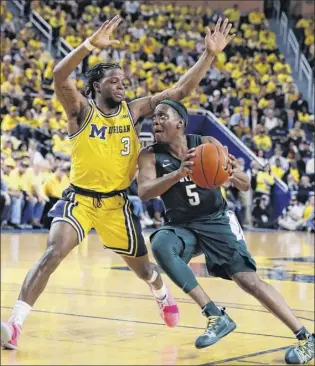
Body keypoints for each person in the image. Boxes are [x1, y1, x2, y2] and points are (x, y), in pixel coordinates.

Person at [1, 16, 235, 349]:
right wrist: (89, 46)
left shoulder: (134, 110)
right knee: (53, 252)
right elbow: (58, 75)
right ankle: (15, 324)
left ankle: (160, 291)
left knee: (145, 271)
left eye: (123, 80)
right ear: (96, 85)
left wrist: (208, 55)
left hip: (116, 206)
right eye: (114, 80)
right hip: (79, 200)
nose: (122, 85)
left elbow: (180, 91)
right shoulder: (80, 111)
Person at [137, 100, 315, 364]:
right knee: (161, 243)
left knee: (248, 281)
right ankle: (215, 315)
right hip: (182, 226)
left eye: (163, 116)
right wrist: (178, 173)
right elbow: (144, 191)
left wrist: (230, 172)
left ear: (180, 123)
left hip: (215, 220)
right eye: (154, 118)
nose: (156, 122)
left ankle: (306, 338)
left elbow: (244, 184)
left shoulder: (207, 143)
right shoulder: (150, 155)